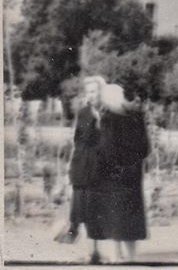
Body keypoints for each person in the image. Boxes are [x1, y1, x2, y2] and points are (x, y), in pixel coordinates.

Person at [98, 83, 150, 262]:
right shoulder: (117, 118)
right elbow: (107, 148)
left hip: (125, 174)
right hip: (123, 173)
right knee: (122, 215)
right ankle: (122, 255)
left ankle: (125, 256)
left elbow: (144, 148)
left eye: (138, 99)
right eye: (132, 98)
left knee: (125, 215)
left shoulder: (129, 118)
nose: (136, 102)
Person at [60, 76, 109, 263]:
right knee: (82, 208)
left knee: (96, 212)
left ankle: (95, 252)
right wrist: (71, 168)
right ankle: (85, 246)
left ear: (101, 93)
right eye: (89, 92)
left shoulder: (109, 114)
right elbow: (78, 141)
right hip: (83, 166)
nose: (91, 95)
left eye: (94, 91)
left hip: (101, 168)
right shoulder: (83, 113)